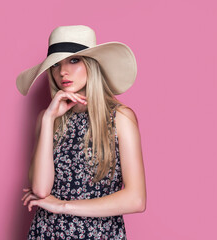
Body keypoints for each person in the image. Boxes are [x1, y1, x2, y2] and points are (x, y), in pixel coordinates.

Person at [16, 25, 146, 239]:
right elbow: (40, 190)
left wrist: (64, 206)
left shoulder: (120, 118)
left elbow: (136, 199)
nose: (62, 72)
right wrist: (49, 119)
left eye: (73, 60)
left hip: (99, 234)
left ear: (92, 65)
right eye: (56, 65)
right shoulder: (47, 119)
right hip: (47, 233)